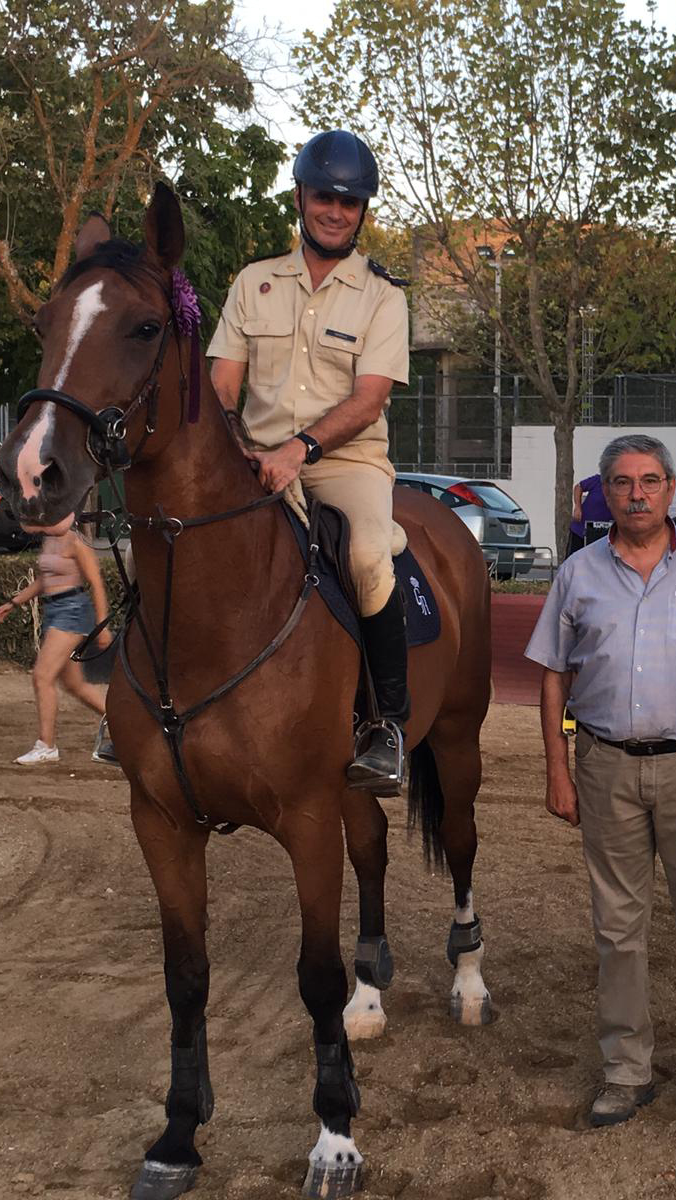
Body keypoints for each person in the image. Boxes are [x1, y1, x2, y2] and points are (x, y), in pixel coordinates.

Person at [525, 433, 676, 1133]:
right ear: (606, 492)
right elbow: (553, 673)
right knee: (618, 928)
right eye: (623, 482)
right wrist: (557, 768)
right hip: (604, 764)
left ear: (672, 487)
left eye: (651, 481)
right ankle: (626, 1072)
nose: (638, 494)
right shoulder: (578, 573)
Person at [208, 129, 412, 793]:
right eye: (325, 195)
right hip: (253, 460)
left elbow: (370, 397)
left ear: (363, 212)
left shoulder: (384, 298)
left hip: (344, 463)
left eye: (351, 202)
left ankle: (385, 724)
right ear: (300, 196)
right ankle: (146, 694)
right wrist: (232, 443)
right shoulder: (253, 283)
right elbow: (222, 385)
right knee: (181, 532)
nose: (336, 210)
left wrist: (299, 450)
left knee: (366, 557)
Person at [0, 514, 114, 765]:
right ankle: (126, 721)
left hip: (72, 611)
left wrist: (103, 626)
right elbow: (44, 580)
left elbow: (96, 584)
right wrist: (14, 603)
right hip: (55, 610)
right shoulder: (50, 540)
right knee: (75, 685)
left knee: (42, 676)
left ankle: (46, 745)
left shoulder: (76, 542)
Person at [567, 471, 614, 557]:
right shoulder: (598, 479)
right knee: (574, 560)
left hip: (604, 535)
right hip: (581, 530)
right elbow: (579, 487)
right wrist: (578, 507)